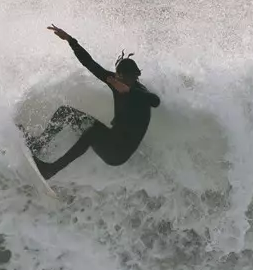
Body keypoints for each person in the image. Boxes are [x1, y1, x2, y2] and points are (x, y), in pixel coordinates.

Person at [27, 24, 161, 179]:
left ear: (130, 77)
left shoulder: (141, 94)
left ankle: (51, 169)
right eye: (116, 77)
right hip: (110, 137)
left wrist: (129, 92)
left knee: (92, 132)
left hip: (118, 153)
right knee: (65, 112)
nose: (116, 79)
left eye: (120, 78)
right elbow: (90, 64)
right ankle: (38, 145)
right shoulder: (115, 81)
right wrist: (70, 40)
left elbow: (155, 101)